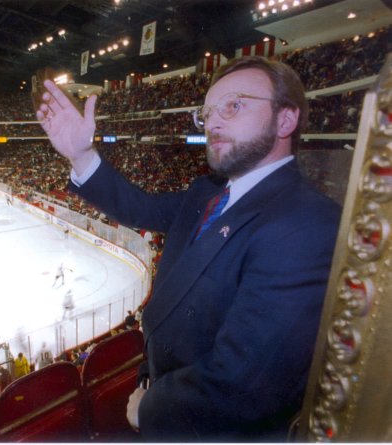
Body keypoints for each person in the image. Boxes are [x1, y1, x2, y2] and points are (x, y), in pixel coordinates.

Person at [36, 56, 341, 441]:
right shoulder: (207, 192)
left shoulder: (305, 223)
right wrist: (81, 155)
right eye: (208, 112)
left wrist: (150, 406)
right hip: (163, 390)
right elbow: (140, 207)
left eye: (234, 105)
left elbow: (244, 382)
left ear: (286, 120)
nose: (212, 122)